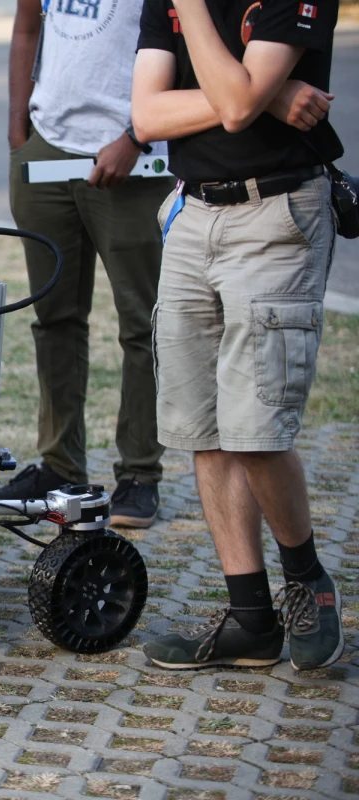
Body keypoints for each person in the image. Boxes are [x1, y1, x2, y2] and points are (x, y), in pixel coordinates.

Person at [132, 0, 343, 669]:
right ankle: (250, 619)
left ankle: (308, 582)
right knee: (203, 427)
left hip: (276, 216)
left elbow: (234, 108)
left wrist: (245, 93)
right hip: (193, 214)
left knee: (255, 429)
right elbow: (147, 116)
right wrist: (268, 95)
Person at [0, 0, 175, 529]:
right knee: (54, 319)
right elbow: (27, 25)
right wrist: (18, 132)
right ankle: (59, 466)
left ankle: (140, 474)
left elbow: (184, 51)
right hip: (45, 148)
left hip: (132, 155)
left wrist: (136, 136)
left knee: (143, 324)